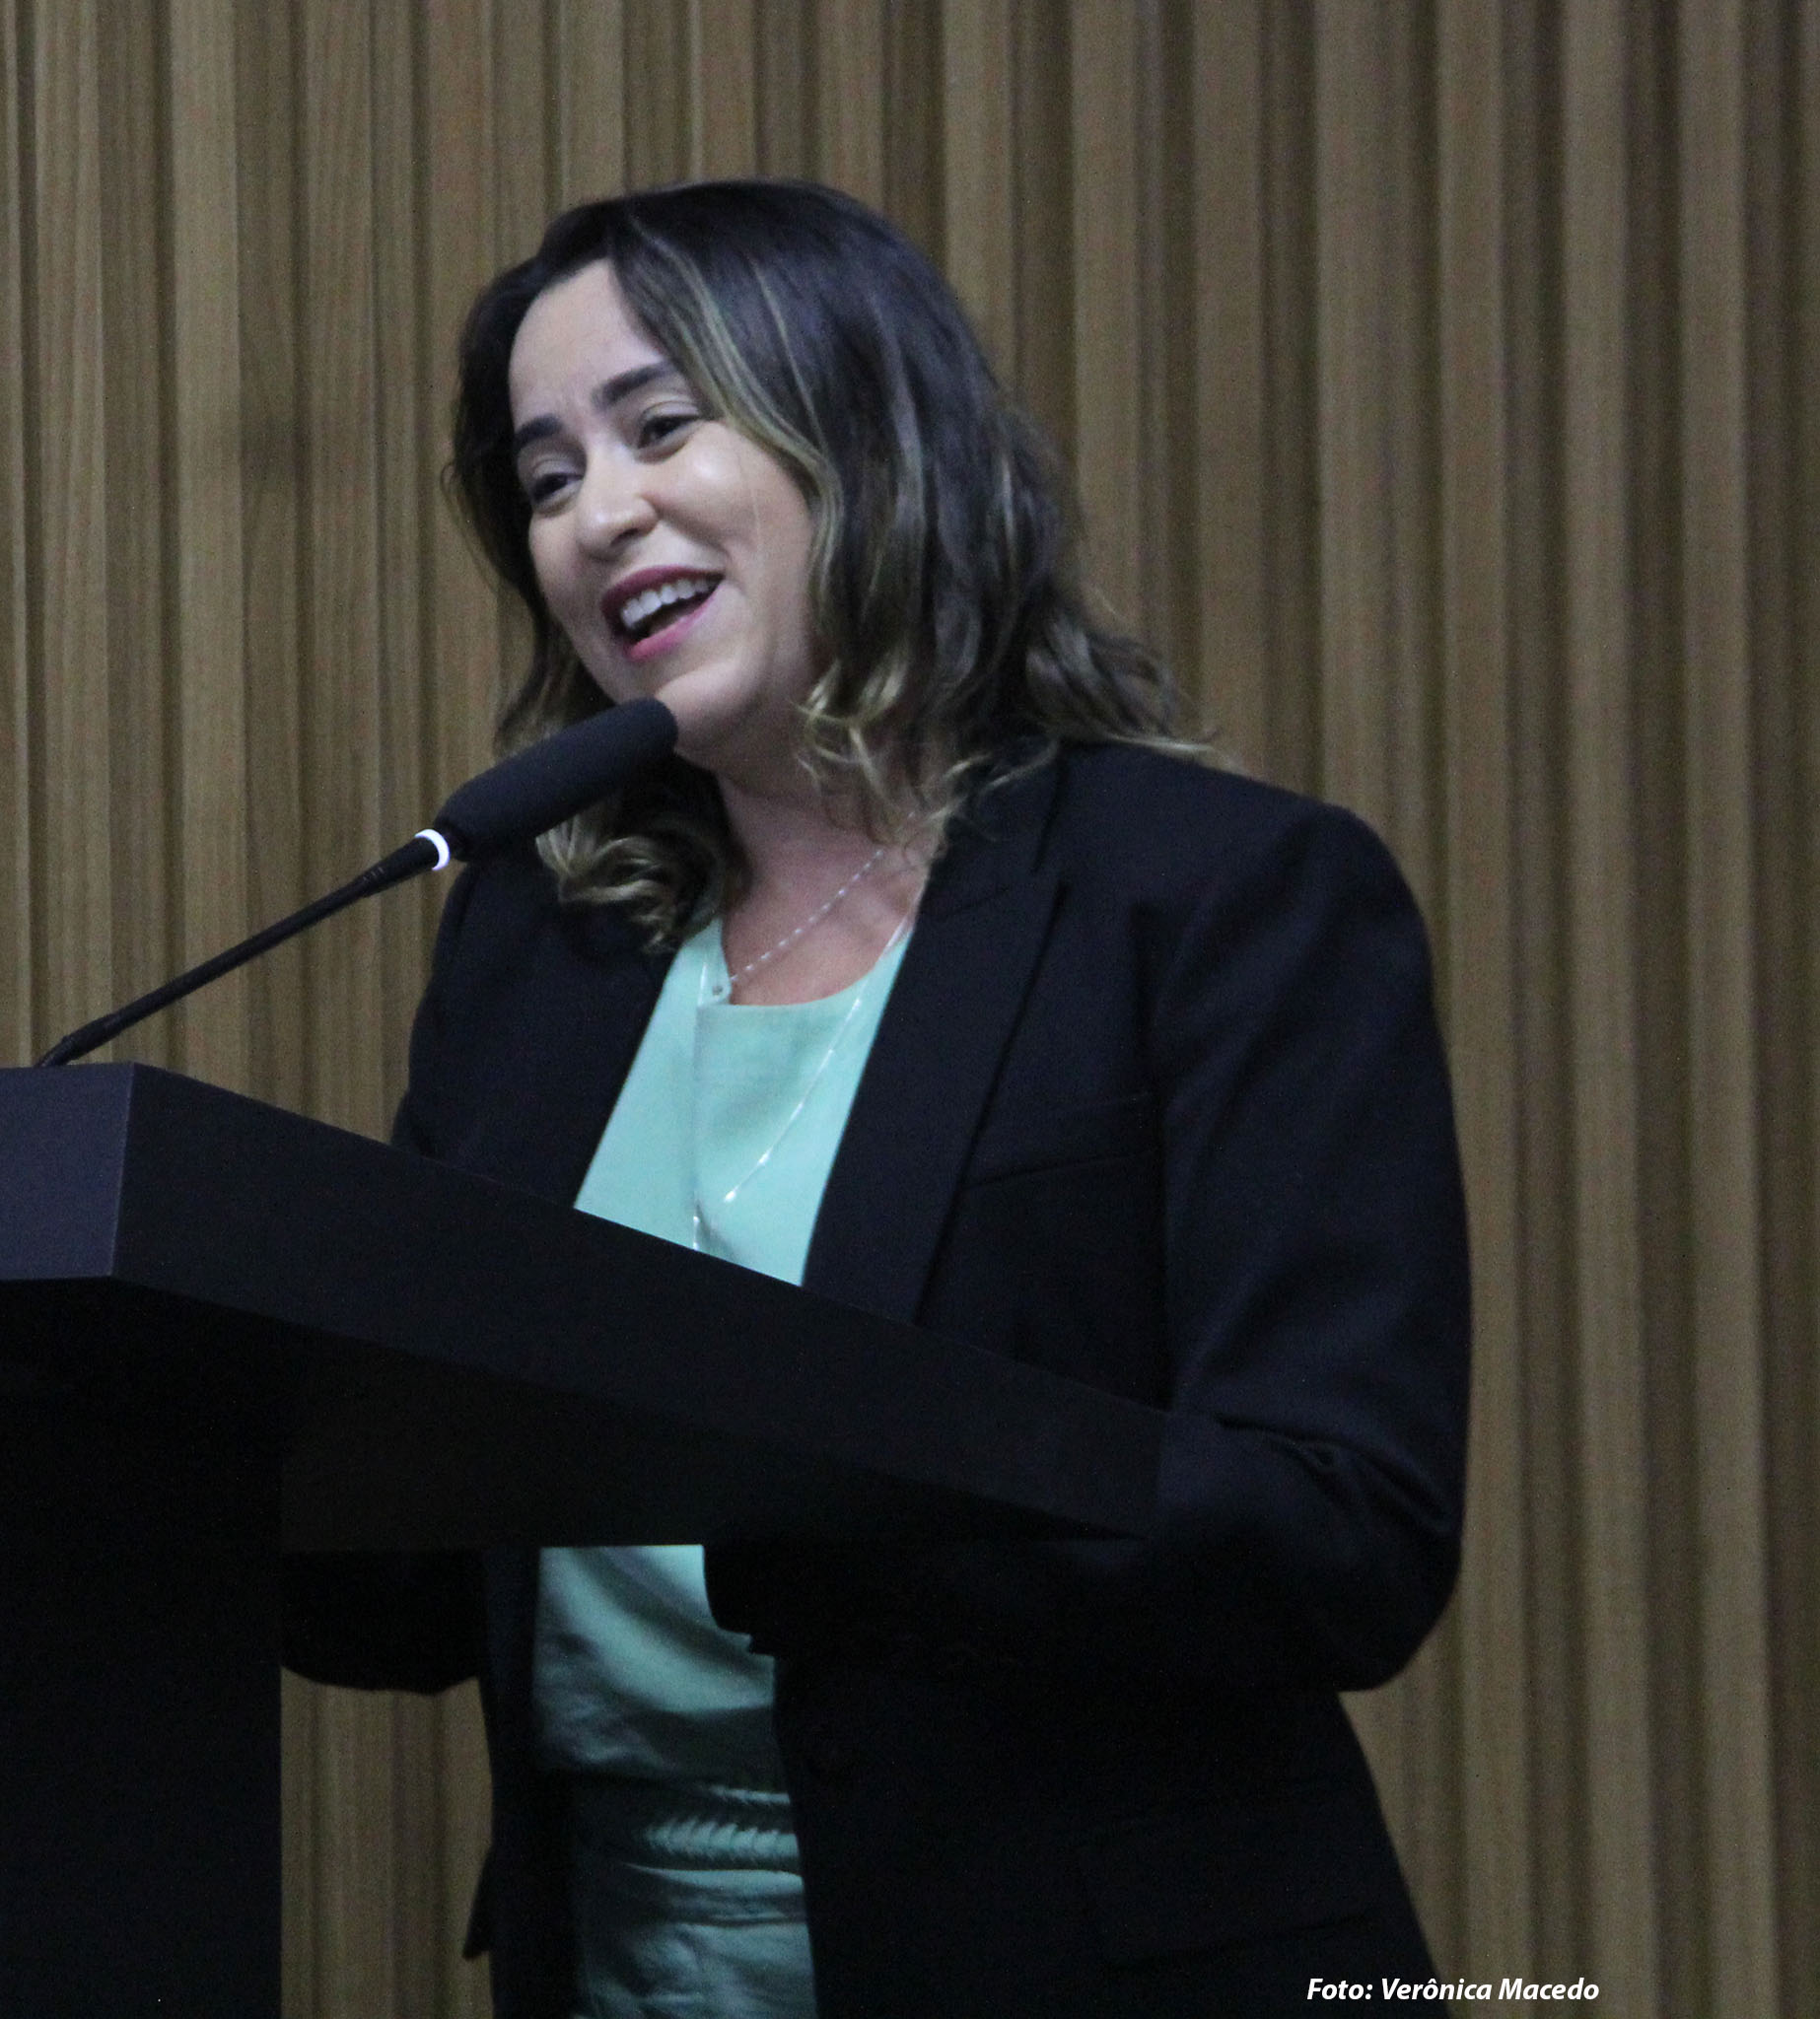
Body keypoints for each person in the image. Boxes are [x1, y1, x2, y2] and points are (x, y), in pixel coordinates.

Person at [283, 179, 1468, 2018]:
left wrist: (805, 1488)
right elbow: (433, 1571)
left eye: (659, 426)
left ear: (863, 435)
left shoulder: (1214, 900)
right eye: (544, 477)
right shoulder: (541, 947)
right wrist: (149, 1469)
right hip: (616, 1969)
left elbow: (1337, 1533)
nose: (598, 514)